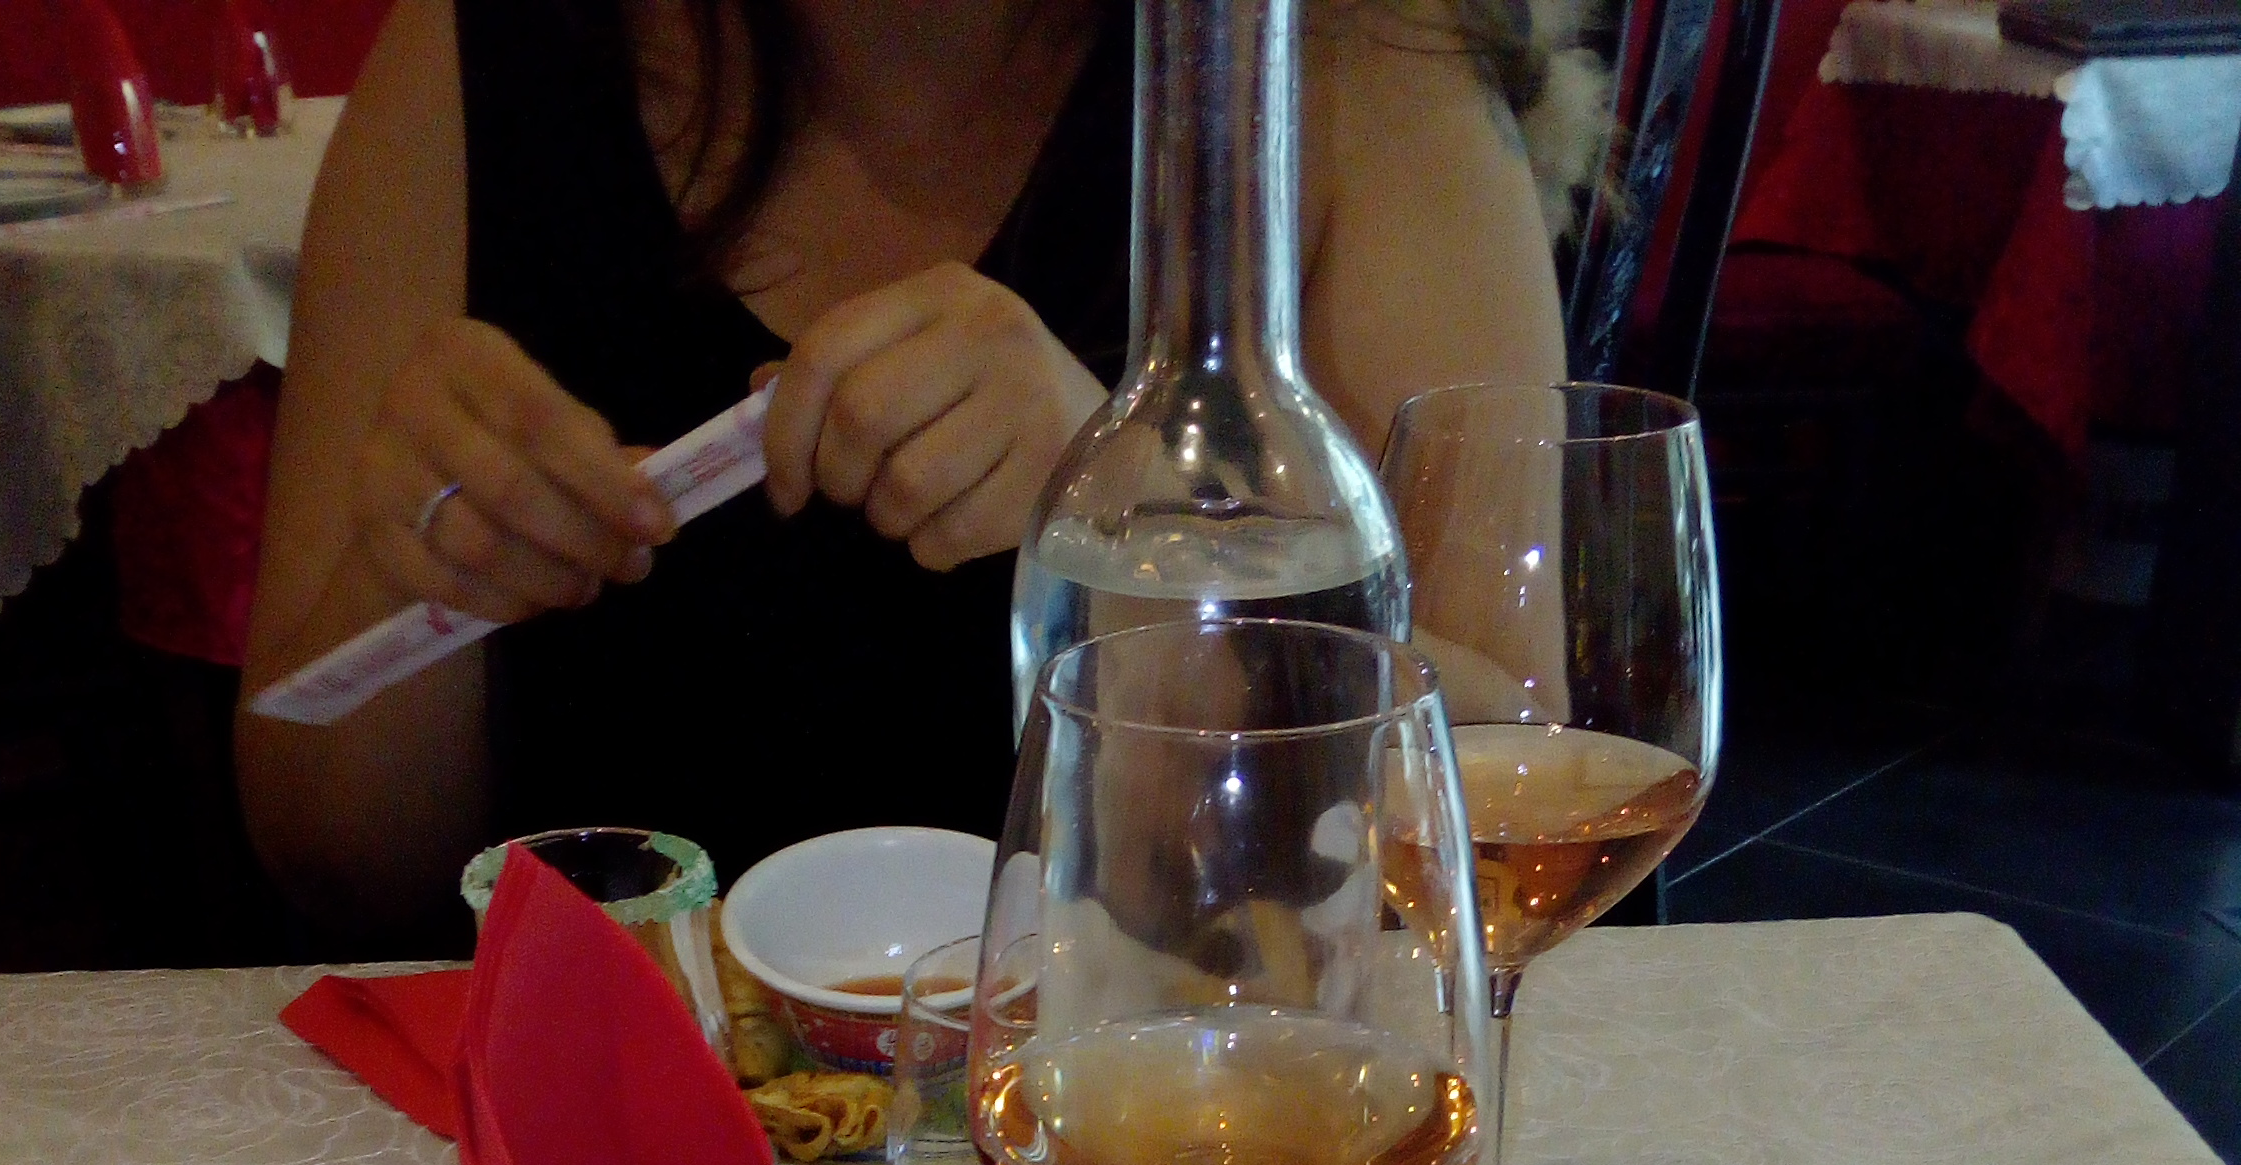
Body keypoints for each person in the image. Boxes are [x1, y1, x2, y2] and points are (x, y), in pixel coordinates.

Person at [235, 0, 1577, 945]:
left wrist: (1146, 522)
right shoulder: (481, 54)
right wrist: (419, 577)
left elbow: (1521, 797)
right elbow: (331, 866)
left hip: (1175, 1153)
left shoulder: (1351, 55)